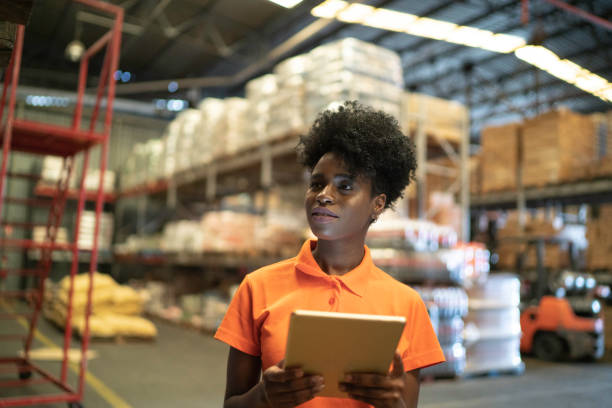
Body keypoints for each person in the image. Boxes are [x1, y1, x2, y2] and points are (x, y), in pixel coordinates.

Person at [215, 101, 444, 408]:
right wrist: (263, 397)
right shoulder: (257, 288)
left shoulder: (407, 305)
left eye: (345, 186)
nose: (323, 195)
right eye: (317, 183)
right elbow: (231, 405)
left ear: (377, 204)